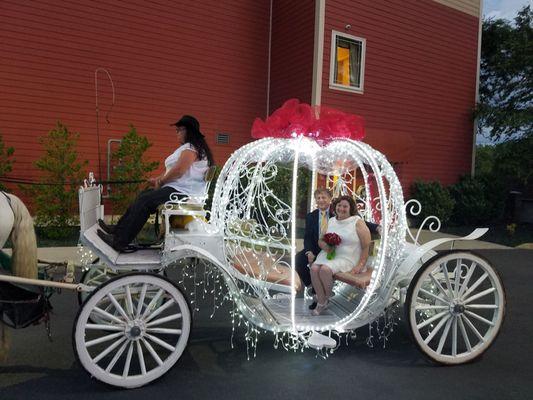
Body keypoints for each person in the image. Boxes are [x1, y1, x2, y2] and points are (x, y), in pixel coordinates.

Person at [97, 115, 214, 252]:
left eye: (179, 130)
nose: (177, 133)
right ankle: (118, 230)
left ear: (189, 131)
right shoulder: (190, 148)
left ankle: (120, 241)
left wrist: (162, 181)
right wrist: (157, 180)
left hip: (183, 193)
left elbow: (179, 171)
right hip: (177, 189)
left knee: (146, 201)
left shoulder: (192, 148)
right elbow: (172, 171)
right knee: (143, 196)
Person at [295, 189, 380, 310]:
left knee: (323, 269)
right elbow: (308, 237)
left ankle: (322, 297)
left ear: (330, 200)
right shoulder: (311, 216)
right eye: (318, 198)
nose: (321, 200)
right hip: (318, 248)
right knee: (299, 260)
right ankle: (314, 290)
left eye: (323, 197)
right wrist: (309, 251)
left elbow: (359, 223)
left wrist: (377, 227)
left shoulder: (337, 214)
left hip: (340, 252)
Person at [310, 195, 371, 316]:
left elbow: (366, 246)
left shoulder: (357, 222)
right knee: (314, 268)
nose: (341, 208)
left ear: (351, 208)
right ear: (335, 207)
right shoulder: (332, 221)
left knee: (325, 270)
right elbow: (321, 239)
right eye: (339, 205)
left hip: (348, 257)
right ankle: (322, 300)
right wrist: (325, 246)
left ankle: (325, 298)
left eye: (345, 206)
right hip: (330, 254)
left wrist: (360, 264)